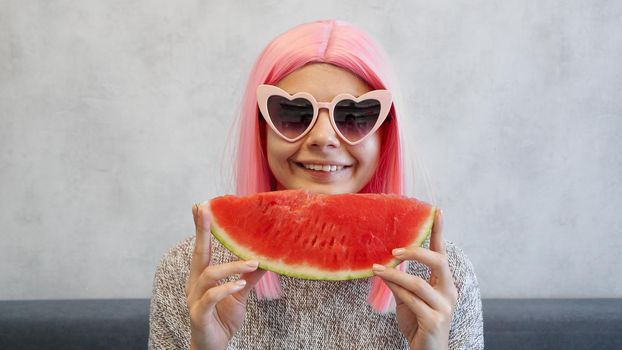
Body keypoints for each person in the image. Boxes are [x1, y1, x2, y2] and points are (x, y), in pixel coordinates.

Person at [148, 20, 483, 350]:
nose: (323, 138)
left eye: (355, 116)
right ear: (261, 129)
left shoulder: (442, 278)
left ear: (385, 134)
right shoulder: (190, 273)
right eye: (293, 113)